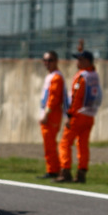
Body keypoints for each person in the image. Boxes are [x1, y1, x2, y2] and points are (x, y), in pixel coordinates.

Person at [57, 50, 102, 184]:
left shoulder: (82, 76)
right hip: (90, 114)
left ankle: (65, 171)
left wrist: (70, 115)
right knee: (83, 145)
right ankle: (81, 174)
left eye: (80, 60)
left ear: (87, 61)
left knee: (65, 143)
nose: (77, 62)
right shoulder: (94, 75)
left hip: (78, 115)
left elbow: (76, 97)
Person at [38, 51, 66, 179]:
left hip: (51, 115)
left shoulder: (56, 77)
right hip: (48, 114)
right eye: (45, 60)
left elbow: (53, 99)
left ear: (56, 61)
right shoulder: (51, 76)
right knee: (48, 144)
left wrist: (46, 114)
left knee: (50, 144)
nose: (47, 63)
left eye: (50, 60)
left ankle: (54, 170)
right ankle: (52, 169)